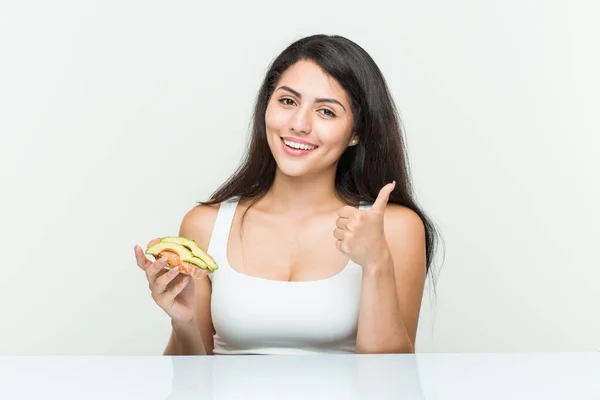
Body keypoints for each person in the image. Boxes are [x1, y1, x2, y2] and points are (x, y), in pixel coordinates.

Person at [134, 34, 440, 355]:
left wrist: (377, 263)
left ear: (355, 133)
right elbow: (190, 381)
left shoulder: (395, 228)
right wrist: (183, 322)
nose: (299, 124)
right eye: (288, 101)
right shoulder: (205, 225)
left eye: (326, 111)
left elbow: (392, 381)